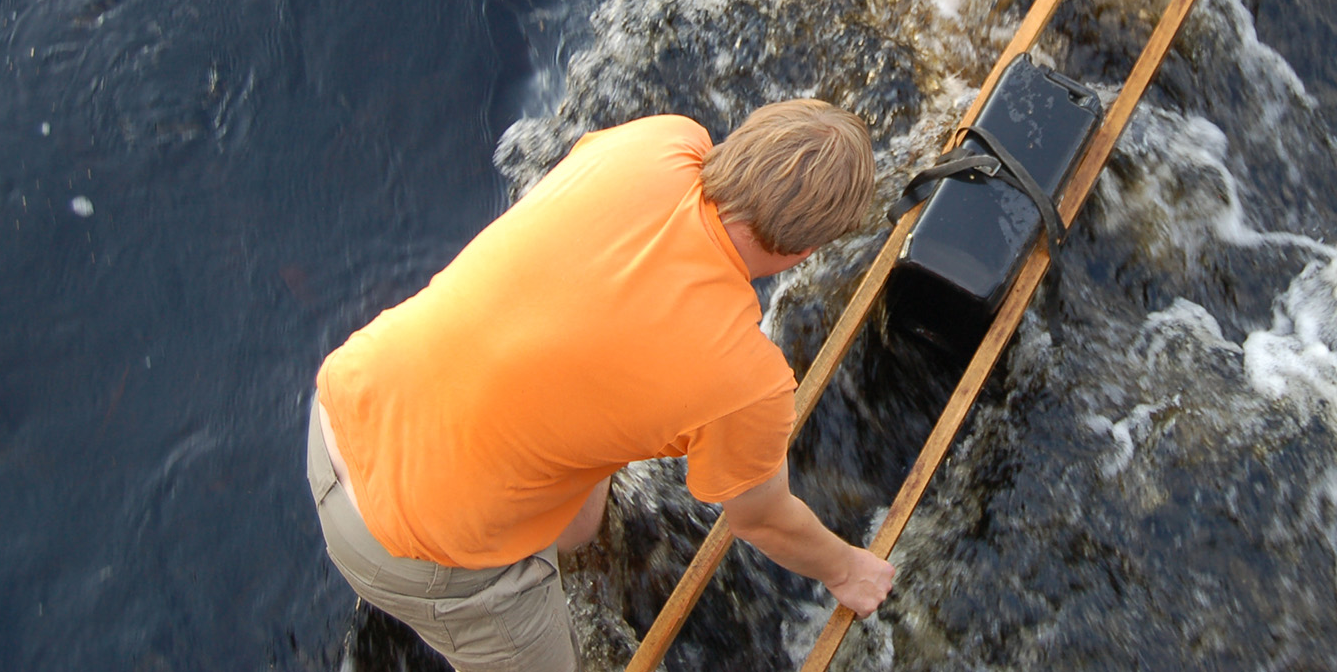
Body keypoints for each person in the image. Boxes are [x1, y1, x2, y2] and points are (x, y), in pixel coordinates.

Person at [306, 100, 895, 672]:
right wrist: (846, 570)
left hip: (345, 406)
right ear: (806, 250)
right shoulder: (749, 382)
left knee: (582, 516)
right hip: (409, 553)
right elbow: (761, 519)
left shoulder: (660, 141)